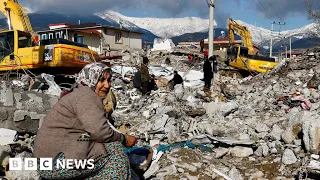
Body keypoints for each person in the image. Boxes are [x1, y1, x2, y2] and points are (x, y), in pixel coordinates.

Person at [34, 63, 137, 179]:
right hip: (55, 164)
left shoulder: (78, 92)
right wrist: (124, 139)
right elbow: (101, 132)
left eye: (109, 80)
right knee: (116, 151)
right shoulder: (87, 97)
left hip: (45, 162)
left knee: (100, 150)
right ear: (91, 79)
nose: (107, 85)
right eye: (101, 80)